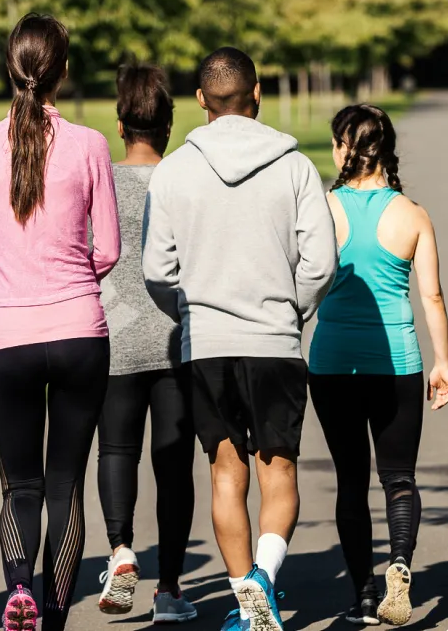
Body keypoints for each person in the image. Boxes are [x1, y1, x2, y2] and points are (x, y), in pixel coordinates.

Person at [142, 47, 338, 631]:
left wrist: (189, 310)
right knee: (279, 472)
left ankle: (244, 601)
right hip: (274, 340)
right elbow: (321, 263)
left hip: (205, 342)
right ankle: (263, 579)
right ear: (256, 94)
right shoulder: (296, 167)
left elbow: (157, 270)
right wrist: (289, 310)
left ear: (200, 100)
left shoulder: (173, 171)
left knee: (226, 474)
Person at [0, 14, 120, 631]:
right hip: (80, 329)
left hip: (7, 334)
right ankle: (52, 617)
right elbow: (109, 250)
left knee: (18, 483)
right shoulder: (91, 145)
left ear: (9, 68)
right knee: (65, 486)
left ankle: (18, 587)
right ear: (64, 72)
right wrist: (67, 277)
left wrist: (5, 276)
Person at [308, 104, 448, 627]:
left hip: (332, 364)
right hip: (397, 364)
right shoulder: (413, 214)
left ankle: (364, 595)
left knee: (350, 479)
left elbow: (305, 284)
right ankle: (400, 565)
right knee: (399, 479)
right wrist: (444, 362)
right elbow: (431, 297)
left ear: (346, 148)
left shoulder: (322, 209)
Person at [95, 62, 197, 624]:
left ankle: (121, 550)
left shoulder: (101, 179)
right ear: (168, 123)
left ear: (120, 124)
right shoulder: (183, 177)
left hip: (114, 334)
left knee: (117, 451)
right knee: (174, 464)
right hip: (176, 335)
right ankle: (171, 589)